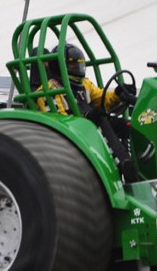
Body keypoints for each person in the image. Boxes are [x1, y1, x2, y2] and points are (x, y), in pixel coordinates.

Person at [54, 43, 138, 181]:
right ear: (59, 66)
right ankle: (122, 164)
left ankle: (131, 164)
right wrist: (85, 118)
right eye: (72, 65)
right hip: (73, 135)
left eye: (79, 64)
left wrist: (118, 93)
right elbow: (58, 121)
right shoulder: (50, 90)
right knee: (101, 121)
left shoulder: (84, 83)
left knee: (123, 125)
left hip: (90, 126)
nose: (77, 68)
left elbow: (101, 98)